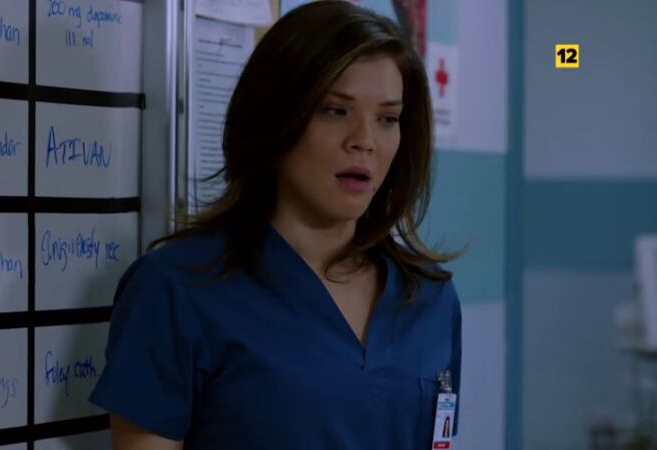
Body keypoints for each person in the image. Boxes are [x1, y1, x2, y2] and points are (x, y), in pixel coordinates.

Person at [89, 1, 464, 449]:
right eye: (335, 110)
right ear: (275, 117)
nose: (364, 141)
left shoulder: (428, 299)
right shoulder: (177, 290)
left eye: (387, 119)